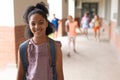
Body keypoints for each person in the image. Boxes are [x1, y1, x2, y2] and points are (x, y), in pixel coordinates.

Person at [17, 2, 64, 80]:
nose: (37, 26)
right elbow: (20, 74)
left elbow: (60, 74)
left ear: (46, 23)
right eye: (33, 23)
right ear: (29, 26)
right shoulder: (23, 48)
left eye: (41, 22)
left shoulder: (55, 48)